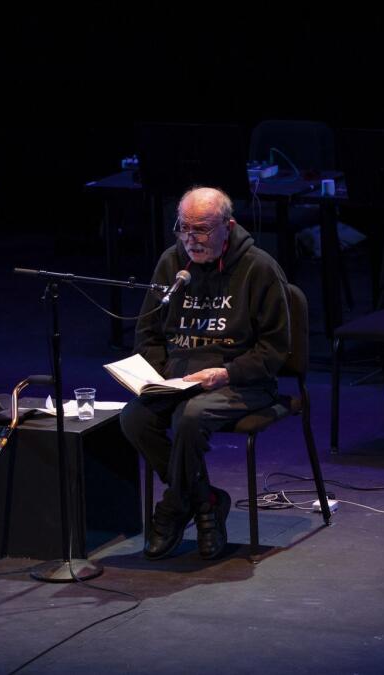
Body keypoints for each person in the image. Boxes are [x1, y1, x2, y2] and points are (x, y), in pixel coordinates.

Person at [119, 186, 291, 560]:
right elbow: (147, 333)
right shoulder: (171, 263)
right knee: (134, 418)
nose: (190, 239)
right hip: (178, 380)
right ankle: (206, 501)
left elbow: (275, 349)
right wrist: (162, 376)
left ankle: (173, 509)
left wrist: (226, 373)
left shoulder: (258, 268)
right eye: (183, 228)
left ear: (228, 226)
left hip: (241, 381)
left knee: (190, 418)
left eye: (202, 230)